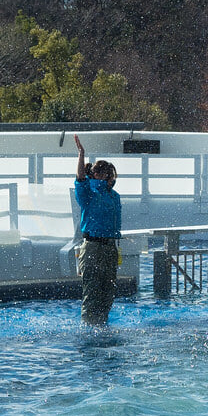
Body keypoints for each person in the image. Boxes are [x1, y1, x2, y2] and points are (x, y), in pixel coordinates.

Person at [73, 135, 121, 325]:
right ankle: (89, 330)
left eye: (107, 171)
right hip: (92, 246)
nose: (104, 175)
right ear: (93, 174)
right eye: (100, 171)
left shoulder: (113, 195)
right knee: (92, 292)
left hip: (110, 247)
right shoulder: (87, 192)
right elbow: (80, 178)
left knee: (108, 293)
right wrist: (81, 155)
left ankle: (102, 326)